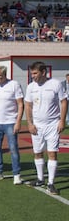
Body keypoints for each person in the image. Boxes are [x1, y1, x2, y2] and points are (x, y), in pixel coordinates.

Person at [25, 61, 67, 195]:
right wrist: (30, 123)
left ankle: (51, 183)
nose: (33, 76)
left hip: (53, 125)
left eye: (35, 73)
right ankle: (40, 179)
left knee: (52, 153)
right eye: (32, 73)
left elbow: (64, 102)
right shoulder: (31, 87)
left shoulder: (55, 84)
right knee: (37, 152)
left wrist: (62, 120)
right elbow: (28, 105)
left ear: (43, 72)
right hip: (37, 125)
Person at [0, 65, 24, 185]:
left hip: (10, 123)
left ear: (5, 74)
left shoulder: (14, 85)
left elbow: (20, 104)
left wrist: (18, 122)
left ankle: (16, 174)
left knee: (13, 149)